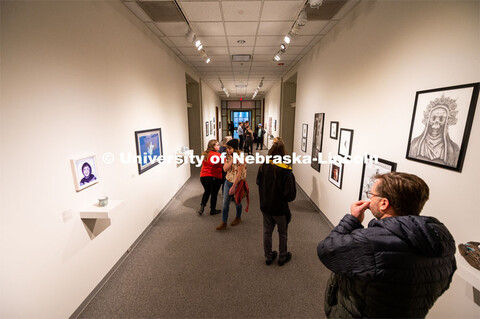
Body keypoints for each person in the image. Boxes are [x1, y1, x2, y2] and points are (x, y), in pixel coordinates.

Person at [317, 172, 456, 318]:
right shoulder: (442, 240)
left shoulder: (371, 242)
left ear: (384, 203)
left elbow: (326, 250)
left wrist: (352, 220)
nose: (370, 198)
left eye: (371, 194)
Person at [256, 137, 296, 266]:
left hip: (266, 205)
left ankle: (268, 256)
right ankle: (282, 257)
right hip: (279, 208)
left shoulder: (263, 166)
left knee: (267, 232)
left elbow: (258, 182)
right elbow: (290, 195)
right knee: (282, 233)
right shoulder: (285, 171)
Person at [409, 95, 460, 167]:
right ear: (428, 119)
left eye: (441, 118)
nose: (436, 122)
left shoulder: (454, 149)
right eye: (433, 118)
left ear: (447, 122)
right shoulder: (415, 143)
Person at [216, 139, 246, 230]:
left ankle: (238, 217)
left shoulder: (241, 157)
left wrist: (233, 187)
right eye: (227, 148)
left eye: (230, 148)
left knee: (237, 202)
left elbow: (239, 174)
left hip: (237, 183)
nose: (227, 150)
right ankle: (224, 222)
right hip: (227, 181)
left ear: (235, 149)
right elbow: (225, 169)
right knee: (225, 203)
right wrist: (232, 160)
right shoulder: (227, 156)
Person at [197, 140, 222, 216]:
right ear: (212, 146)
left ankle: (202, 206)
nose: (219, 146)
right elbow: (222, 166)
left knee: (207, 191)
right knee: (214, 193)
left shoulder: (205, 154)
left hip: (203, 177)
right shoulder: (218, 155)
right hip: (214, 177)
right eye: (217, 145)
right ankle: (212, 210)